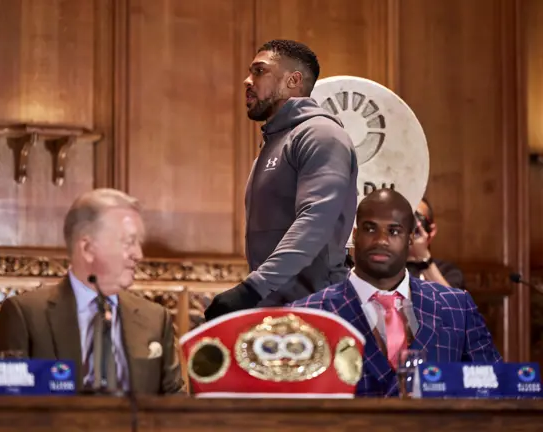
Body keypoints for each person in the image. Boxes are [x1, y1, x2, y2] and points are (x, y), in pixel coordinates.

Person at [290, 189, 501, 397]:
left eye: (394, 231)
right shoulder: (307, 314)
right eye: (371, 229)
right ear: (355, 235)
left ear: (410, 239)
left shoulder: (456, 307)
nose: (381, 240)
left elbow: (497, 392)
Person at [205, 39, 358, 320]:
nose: (246, 81)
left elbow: (315, 221)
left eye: (259, 71)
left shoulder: (320, 134)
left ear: (293, 80)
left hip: (318, 308)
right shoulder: (275, 143)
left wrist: (250, 290)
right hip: (279, 309)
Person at [0, 189, 184, 395]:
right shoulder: (26, 316)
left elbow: (176, 404)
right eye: (129, 242)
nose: (138, 254)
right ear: (88, 248)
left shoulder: (155, 319)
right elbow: (3, 407)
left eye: (138, 243)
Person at [407, 196, 465, 288]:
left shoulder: (448, 271)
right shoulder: (386, 268)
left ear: (431, 231)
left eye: (417, 218)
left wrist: (424, 260)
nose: (411, 226)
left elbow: (451, 301)